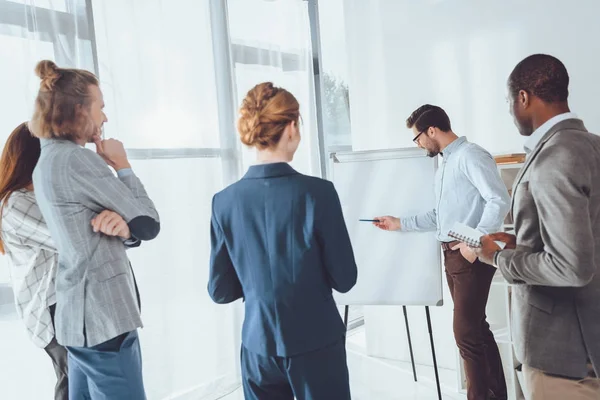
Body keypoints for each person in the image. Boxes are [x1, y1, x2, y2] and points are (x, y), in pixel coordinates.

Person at [207, 82, 357, 400]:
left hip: (257, 346)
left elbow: (219, 290)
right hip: (316, 342)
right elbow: (345, 279)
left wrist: (258, 282)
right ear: (291, 127)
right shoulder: (319, 193)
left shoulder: (224, 201)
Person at [29, 60, 161, 400]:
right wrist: (123, 165)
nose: (104, 117)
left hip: (76, 320)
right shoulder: (77, 160)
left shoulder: (47, 162)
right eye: (100, 107)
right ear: (78, 110)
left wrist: (123, 228)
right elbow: (147, 222)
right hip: (105, 320)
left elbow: (127, 228)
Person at [475, 54, 600, 400]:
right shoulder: (593, 146)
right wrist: (520, 240)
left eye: (508, 101)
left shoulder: (552, 157)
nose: (510, 110)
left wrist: (499, 258)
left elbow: (571, 267)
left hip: (565, 360)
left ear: (524, 97)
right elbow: (587, 232)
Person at [373, 105, 510, 400]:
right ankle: (497, 396)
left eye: (418, 137)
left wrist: (475, 244)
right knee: (476, 330)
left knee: (466, 335)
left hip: (469, 255)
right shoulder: (446, 163)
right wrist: (400, 223)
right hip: (451, 256)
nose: (419, 143)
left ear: (432, 130)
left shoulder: (471, 155)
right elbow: (440, 216)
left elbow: (498, 200)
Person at [0, 122, 133, 400]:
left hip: (77, 303)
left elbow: (122, 226)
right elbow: (78, 241)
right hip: (53, 310)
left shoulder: (56, 195)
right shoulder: (16, 203)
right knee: (73, 383)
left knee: (79, 386)